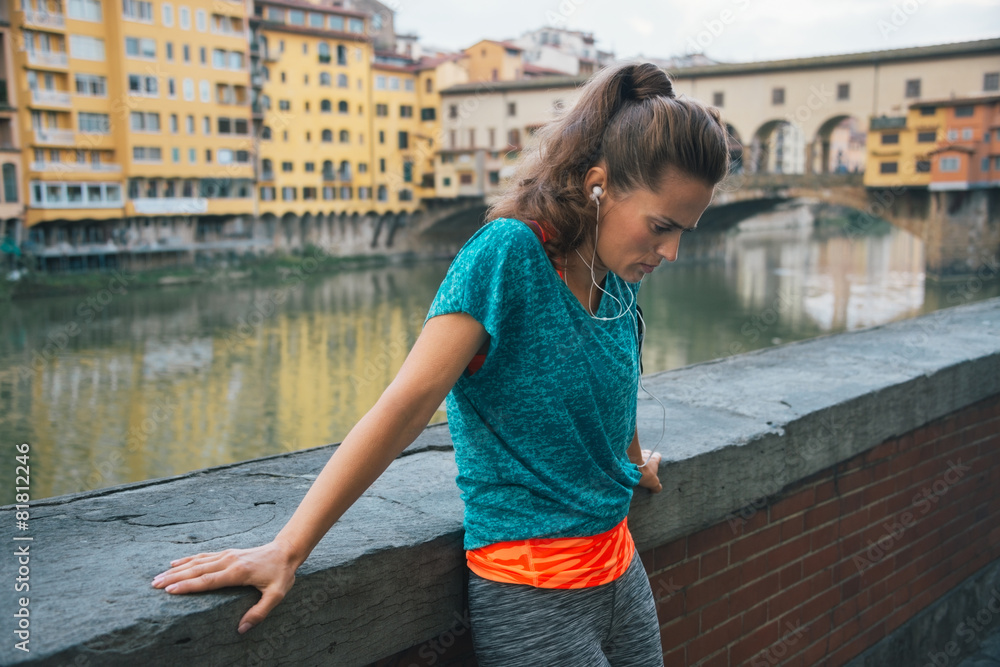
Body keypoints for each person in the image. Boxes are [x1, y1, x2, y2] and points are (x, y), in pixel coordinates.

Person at [152, 61, 730, 666]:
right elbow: (405, 405)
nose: (671, 252)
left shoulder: (616, 274)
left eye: (685, 231)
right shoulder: (507, 256)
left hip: (621, 570)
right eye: (662, 226)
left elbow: (615, 381)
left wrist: (629, 465)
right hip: (533, 595)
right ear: (597, 183)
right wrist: (288, 549)